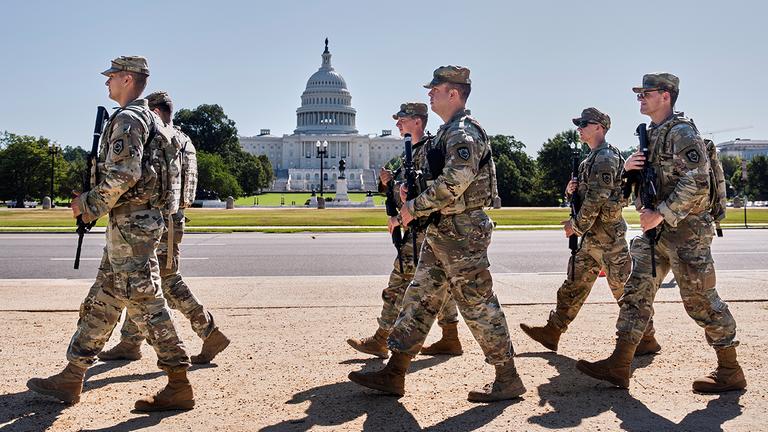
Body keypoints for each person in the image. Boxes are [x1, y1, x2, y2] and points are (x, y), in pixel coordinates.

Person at [26, 56, 195, 411]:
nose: (107, 83)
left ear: (128, 79)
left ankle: (179, 382)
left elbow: (124, 175)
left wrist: (86, 204)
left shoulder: (130, 118)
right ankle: (73, 374)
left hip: (132, 224)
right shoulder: (151, 119)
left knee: (145, 301)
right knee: (105, 297)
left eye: (112, 77)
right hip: (138, 222)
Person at [349, 66, 525, 402]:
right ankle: (396, 370)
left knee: (477, 304)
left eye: (436, 88)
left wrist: (412, 207)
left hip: (463, 233)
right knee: (420, 297)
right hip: (443, 231)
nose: (430, 93)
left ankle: (508, 376)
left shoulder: (463, 133)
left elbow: (455, 184)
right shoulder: (447, 132)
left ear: (455, 93)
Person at [577, 73, 747, 393]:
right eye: (639, 93)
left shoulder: (682, 133)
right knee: (635, 290)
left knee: (700, 301)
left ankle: (730, 368)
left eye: (646, 93)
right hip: (657, 234)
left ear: (666, 96)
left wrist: (661, 214)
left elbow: (697, 182)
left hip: (687, 232)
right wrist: (632, 174)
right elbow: (649, 184)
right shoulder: (651, 134)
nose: (640, 97)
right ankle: (621, 361)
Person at [98, 90, 230, 365]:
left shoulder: (161, 137)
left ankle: (208, 332)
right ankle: (130, 342)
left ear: (155, 112)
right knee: (143, 282)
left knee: (162, 280)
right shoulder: (183, 139)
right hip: (172, 216)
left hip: (156, 217)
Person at [519, 108, 660, 356]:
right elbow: (585, 197)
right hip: (591, 239)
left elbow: (596, 201)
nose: (579, 128)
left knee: (624, 291)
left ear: (599, 127)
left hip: (609, 239)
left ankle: (646, 338)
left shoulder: (605, 157)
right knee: (573, 285)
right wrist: (570, 191)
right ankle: (553, 332)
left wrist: (575, 226)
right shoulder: (590, 160)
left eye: (584, 123)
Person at [347, 102, 462, 359]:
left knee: (399, 285)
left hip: (425, 230)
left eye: (402, 119)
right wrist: (388, 184)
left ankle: (382, 339)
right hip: (419, 231)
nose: (397, 123)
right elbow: (406, 192)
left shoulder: (432, 151)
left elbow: (434, 193)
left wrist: (400, 217)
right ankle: (450, 337)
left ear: (418, 121)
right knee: (441, 285)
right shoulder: (412, 152)